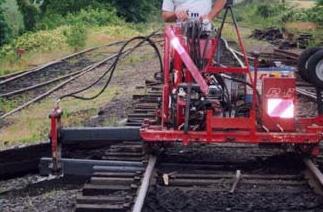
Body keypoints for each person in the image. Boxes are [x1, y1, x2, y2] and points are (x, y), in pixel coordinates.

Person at [162, 0, 228, 22]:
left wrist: (210, 16)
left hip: (204, 30)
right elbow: (165, 15)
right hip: (181, 32)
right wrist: (176, 14)